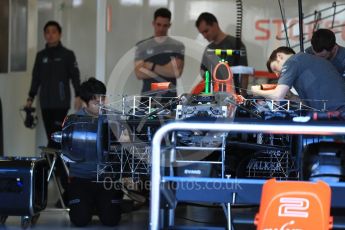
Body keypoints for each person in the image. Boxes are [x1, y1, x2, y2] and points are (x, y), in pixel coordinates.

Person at [68, 77, 123, 227]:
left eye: (102, 99)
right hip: (81, 178)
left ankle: (102, 204)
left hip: (106, 177)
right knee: (79, 220)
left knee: (111, 220)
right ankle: (88, 204)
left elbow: (125, 147)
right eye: (95, 102)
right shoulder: (73, 121)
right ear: (85, 103)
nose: (101, 104)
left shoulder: (114, 118)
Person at [26, 20, 81, 148]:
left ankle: (50, 165)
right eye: (47, 32)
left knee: (55, 137)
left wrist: (78, 95)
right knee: (52, 136)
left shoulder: (67, 55)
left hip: (61, 103)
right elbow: (36, 78)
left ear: (60, 34)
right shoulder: (40, 56)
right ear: (44, 35)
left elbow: (75, 76)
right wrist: (30, 98)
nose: (50, 35)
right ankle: (56, 165)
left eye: (54, 32)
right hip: (45, 103)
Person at [251, 46, 345, 111]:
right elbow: (309, 103)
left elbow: (277, 96)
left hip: (336, 111)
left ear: (279, 56)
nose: (277, 75)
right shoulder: (306, 63)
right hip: (336, 110)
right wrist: (292, 97)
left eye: (275, 69)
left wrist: (256, 90)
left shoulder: (293, 61)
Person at [134, 8, 185, 102]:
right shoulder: (142, 45)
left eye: (165, 25)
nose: (161, 29)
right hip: (147, 98)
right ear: (153, 23)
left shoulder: (177, 46)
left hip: (169, 98)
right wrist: (167, 70)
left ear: (169, 25)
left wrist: (150, 65)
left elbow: (176, 72)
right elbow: (139, 73)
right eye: (158, 24)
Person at [195, 12, 249, 96]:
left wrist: (242, 96)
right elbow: (203, 72)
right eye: (202, 33)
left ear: (215, 24)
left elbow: (244, 74)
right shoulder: (208, 49)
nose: (205, 35)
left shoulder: (235, 44)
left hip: (233, 96)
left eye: (206, 31)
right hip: (214, 96)